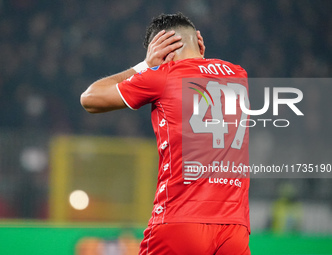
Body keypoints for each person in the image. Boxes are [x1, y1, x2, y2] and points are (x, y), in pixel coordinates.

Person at [81, 13, 250, 255]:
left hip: (180, 220)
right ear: (197, 41)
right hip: (235, 228)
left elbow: (90, 99)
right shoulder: (238, 75)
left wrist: (145, 65)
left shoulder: (163, 75)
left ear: (162, 49)